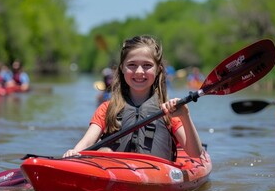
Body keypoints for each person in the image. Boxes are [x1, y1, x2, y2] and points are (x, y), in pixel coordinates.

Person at [63, 35, 203, 161]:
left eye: (147, 65)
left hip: (156, 175)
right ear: (122, 68)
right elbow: (86, 143)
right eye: (132, 65)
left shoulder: (170, 111)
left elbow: (195, 154)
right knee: (104, 151)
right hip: (115, 172)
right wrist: (74, 152)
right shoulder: (107, 109)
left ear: (158, 69)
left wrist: (185, 115)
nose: (139, 72)